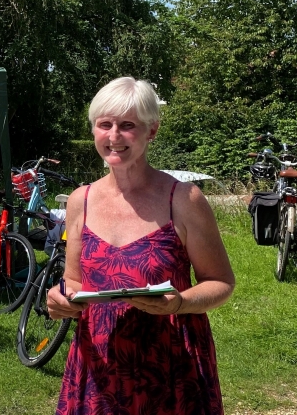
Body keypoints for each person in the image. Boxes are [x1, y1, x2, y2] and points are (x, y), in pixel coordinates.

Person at [47, 76, 235, 415]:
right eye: (105, 124)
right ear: (94, 130)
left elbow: (221, 282)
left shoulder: (184, 199)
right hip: (98, 368)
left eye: (127, 125)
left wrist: (179, 303)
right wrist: (61, 297)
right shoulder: (81, 201)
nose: (114, 136)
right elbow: (73, 280)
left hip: (172, 366)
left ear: (152, 131)